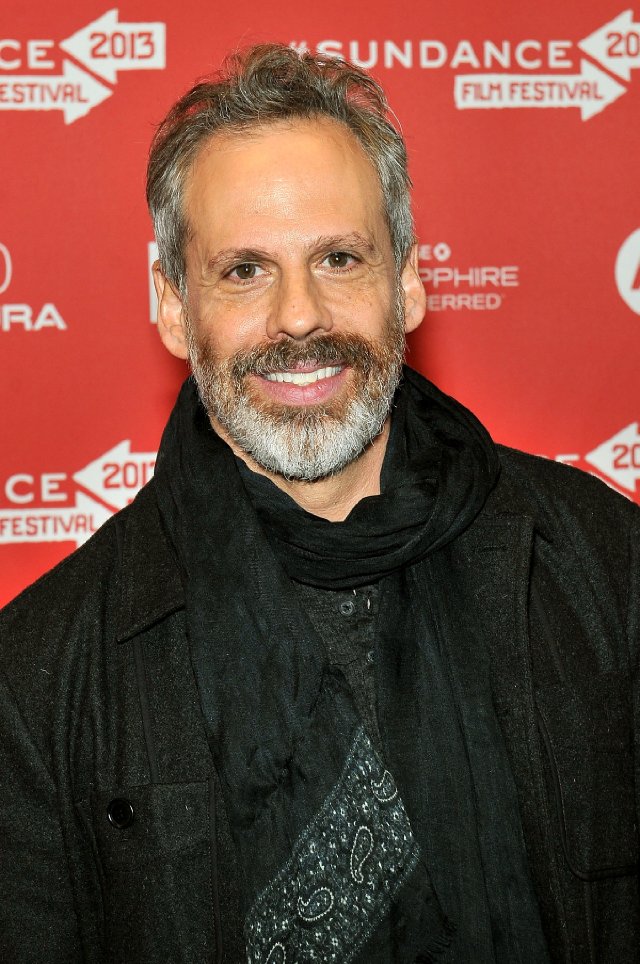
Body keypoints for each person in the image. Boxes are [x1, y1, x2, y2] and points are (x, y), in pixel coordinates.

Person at [1, 44, 638, 964]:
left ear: (408, 282)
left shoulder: (606, 566)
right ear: (173, 305)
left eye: (339, 258)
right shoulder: (41, 677)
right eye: (244, 271)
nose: (299, 317)